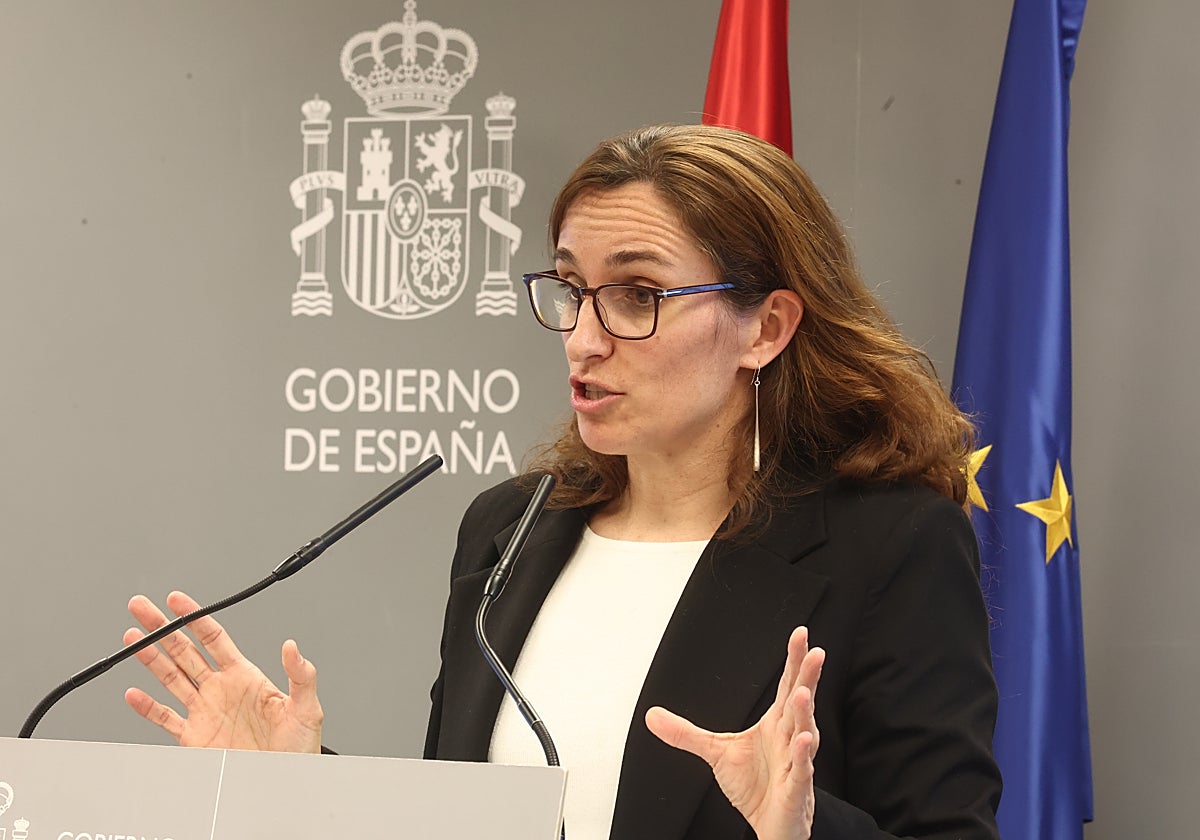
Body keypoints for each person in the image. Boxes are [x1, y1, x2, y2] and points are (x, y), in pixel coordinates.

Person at [123, 124, 1002, 840]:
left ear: (765, 327)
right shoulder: (512, 528)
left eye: (636, 296)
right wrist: (300, 790)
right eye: (572, 288)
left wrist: (805, 832)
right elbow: (460, 825)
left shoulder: (886, 543)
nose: (583, 338)